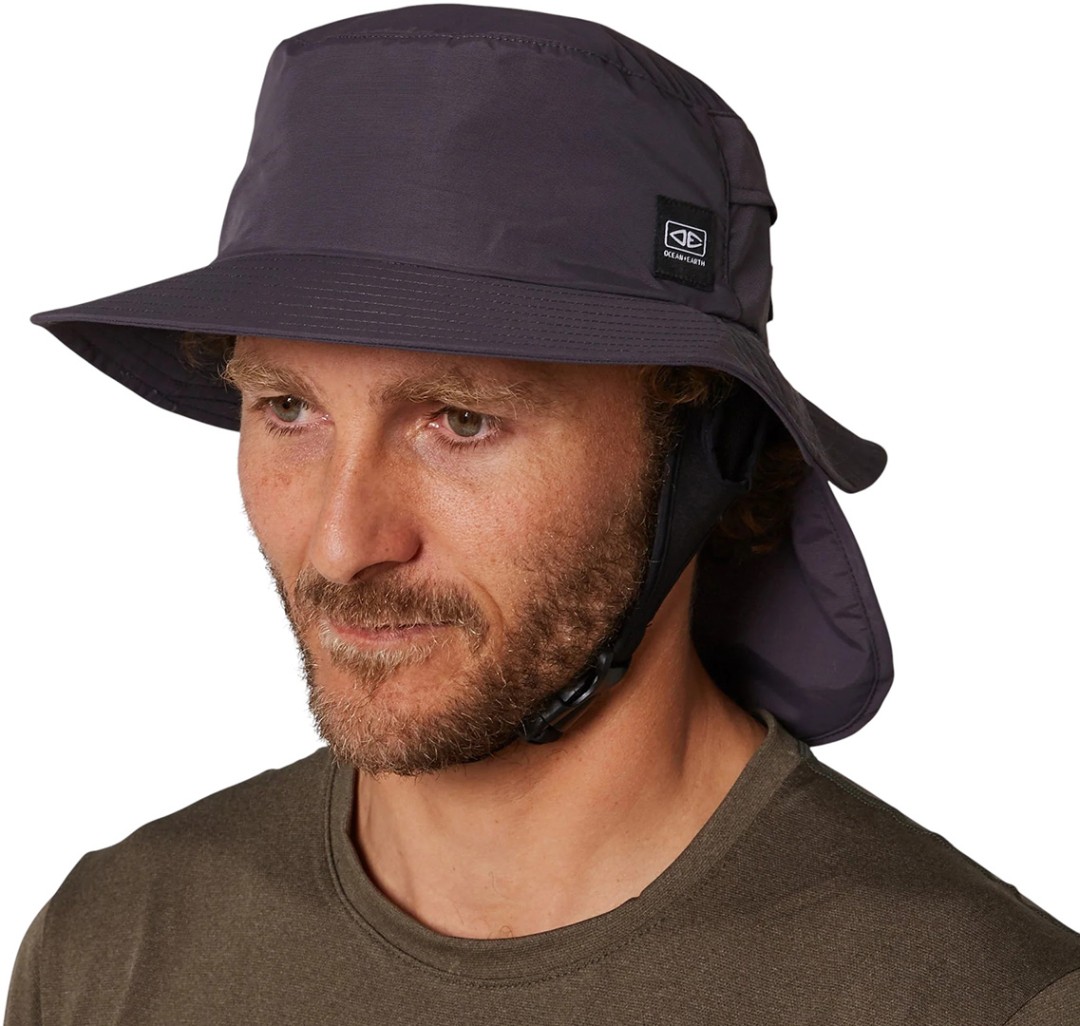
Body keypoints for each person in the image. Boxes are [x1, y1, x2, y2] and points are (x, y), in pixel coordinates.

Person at [6, 5, 1078, 1024]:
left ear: (704, 448)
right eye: (288, 408)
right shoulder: (112, 949)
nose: (341, 544)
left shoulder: (973, 1001)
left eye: (463, 420)